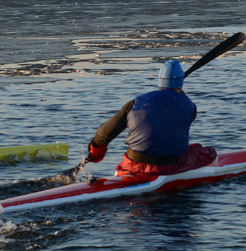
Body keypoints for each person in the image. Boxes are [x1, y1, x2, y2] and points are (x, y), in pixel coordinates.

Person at [86, 59, 217, 176]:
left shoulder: (137, 102)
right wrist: (180, 94)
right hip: (167, 166)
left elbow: (104, 134)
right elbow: (182, 117)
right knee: (208, 152)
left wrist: (95, 150)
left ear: (159, 80)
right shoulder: (190, 106)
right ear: (181, 83)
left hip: (133, 164)